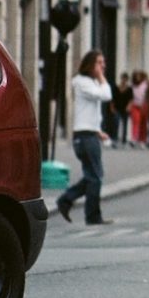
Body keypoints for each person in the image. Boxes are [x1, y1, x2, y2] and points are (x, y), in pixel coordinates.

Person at [55, 50, 114, 225]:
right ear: (90, 65)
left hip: (89, 134)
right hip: (85, 137)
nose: (103, 66)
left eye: (103, 63)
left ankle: (67, 201)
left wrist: (97, 130)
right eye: (99, 63)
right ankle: (90, 214)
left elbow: (88, 112)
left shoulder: (88, 83)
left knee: (92, 176)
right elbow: (106, 95)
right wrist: (102, 78)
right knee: (95, 176)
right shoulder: (83, 83)